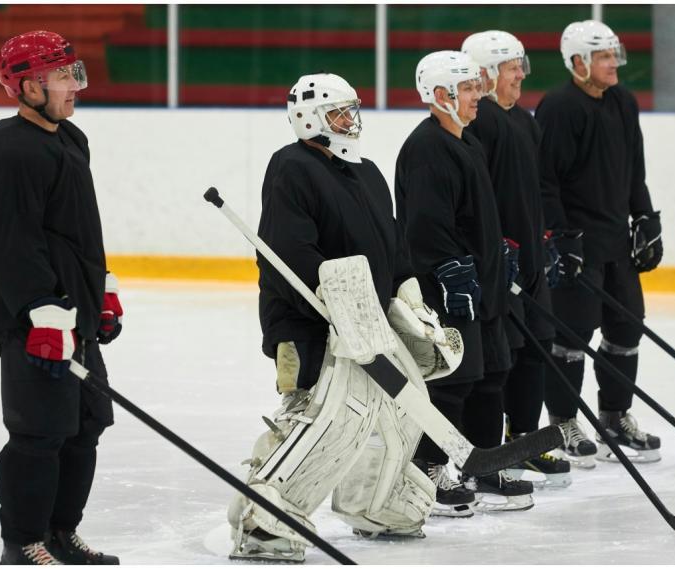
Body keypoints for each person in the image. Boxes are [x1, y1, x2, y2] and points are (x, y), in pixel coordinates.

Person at [226, 72, 461, 562]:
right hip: (309, 326)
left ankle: (377, 502)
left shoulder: (367, 172)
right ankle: (265, 519)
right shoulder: (291, 167)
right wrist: (337, 301)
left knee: (397, 409)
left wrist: (409, 298)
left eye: (351, 110)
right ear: (309, 119)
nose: (350, 120)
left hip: (371, 326)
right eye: (338, 113)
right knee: (318, 420)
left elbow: (393, 249)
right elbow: (290, 252)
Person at [0, 31, 122, 564]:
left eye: (72, 73)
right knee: (39, 432)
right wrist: (41, 311)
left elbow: (80, 230)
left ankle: (61, 533)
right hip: (32, 318)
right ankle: (24, 543)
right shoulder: (9, 147)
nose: (73, 86)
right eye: (61, 76)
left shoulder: (71, 139)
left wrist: (101, 290)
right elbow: (11, 242)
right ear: (27, 86)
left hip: (74, 311)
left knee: (86, 424)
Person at [395, 50, 525, 515]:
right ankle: (427, 472)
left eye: (475, 86)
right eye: (468, 89)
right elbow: (425, 227)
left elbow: (478, 217)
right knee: (454, 380)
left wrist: (498, 257)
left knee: (493, 370)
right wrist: (450, 271)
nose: (478, 96)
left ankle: (483, 464)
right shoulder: (428, 147)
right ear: (440, 96)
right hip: (448, 289)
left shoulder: (467, 141)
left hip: (480, 283)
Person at [535, 20, 664, 468]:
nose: (613, 64)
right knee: (572, 336)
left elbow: (634, 171)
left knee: (627, 331)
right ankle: (564, 421)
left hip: (615, 243)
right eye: (603, 57)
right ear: (578, 63)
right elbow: (545, 180)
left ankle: (613, 416)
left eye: (614, 55)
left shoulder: (624, 103)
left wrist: (645, 217)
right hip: (577, 243)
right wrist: (558, 236)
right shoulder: (558, 108)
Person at [462, 30, 571, 490]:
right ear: (486, 74)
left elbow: (535, 189)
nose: (520, 77)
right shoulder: (481, 122)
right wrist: (498, 248)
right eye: (512, 69)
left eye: (521, 68)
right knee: (503, 353)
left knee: (535, 348)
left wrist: (546, 237)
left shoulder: (524, 121)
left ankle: (526, 439)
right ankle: (493, 450)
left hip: (528, 258)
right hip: (498, 261)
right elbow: (479, 197)